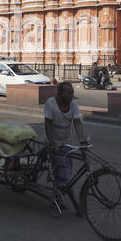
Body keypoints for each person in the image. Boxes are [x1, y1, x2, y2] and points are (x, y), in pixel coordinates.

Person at [44, 82, 85, 218]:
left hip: (67, 143)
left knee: (64, 172)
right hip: (54, 143)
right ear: (60, 94)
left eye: (72, 93)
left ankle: (57, 197)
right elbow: (48, 125)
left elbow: (77, 122)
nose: (71, 95)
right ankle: (76, 205)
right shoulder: (51, 104)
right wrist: (52, 144)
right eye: (69, 93)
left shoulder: (73, 104)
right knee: (64, 175)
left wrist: (83, 141)